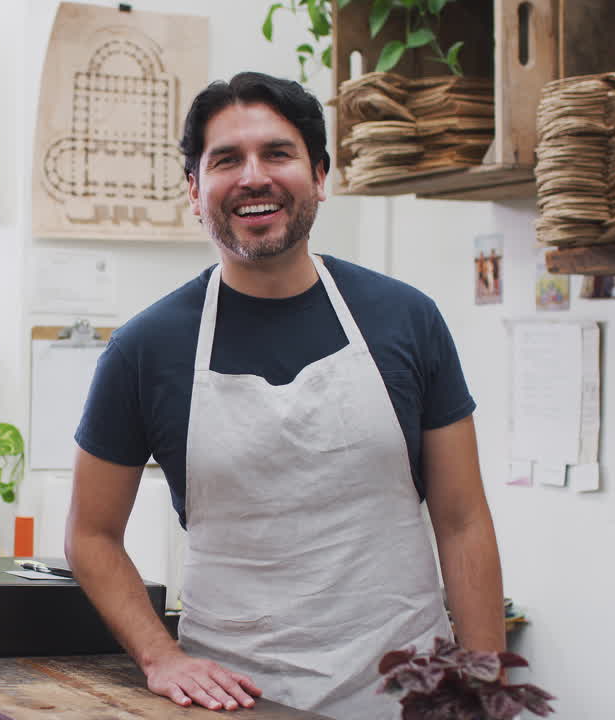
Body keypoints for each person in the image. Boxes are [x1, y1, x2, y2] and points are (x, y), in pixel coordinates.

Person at [64, 72, 505, 718]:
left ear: (320, 176)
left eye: (277, 153)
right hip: (235, 702)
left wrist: (485, 690)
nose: (253, 177)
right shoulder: (145, 349)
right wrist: (162, 658)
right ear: (194, 190)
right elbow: (90, 534)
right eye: (226, 160)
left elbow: (463, 521)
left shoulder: (406, 320)